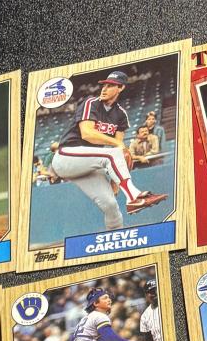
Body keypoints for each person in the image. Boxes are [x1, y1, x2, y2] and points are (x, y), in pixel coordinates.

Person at [48, 70, 167, 230]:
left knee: (110, 204)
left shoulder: (121, 115)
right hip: (66, 157)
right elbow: (88, 134)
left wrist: (115, 183)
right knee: (114, 152)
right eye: (104, 85)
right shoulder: (91, 102)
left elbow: (120, 151)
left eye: (111, 86)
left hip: (89, 165)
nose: (104, 89)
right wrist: (118, 145)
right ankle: (134, 197)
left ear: (121, 88)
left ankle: (115, 235)